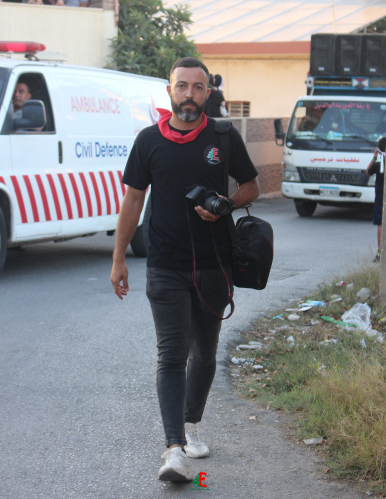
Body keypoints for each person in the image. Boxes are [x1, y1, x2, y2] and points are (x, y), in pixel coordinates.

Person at [110, 56, 259, 483]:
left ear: (207, 93)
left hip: (215, 265)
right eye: (182, 86)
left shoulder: (223, 137)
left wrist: (227, 204)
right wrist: (119, 258)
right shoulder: (148, 141)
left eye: (197, 87)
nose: (189, 95)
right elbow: (133, 200)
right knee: (172, 353)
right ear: (169, 90)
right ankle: (174, 448)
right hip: (165, 265)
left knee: (205, 353)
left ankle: (191, 423)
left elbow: (252, 185)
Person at [366, 136, 386, 262]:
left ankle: (380, 251)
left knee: (380, 224)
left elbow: (367, 172)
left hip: (380, 197)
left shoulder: (377, 165)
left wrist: (374, 157)